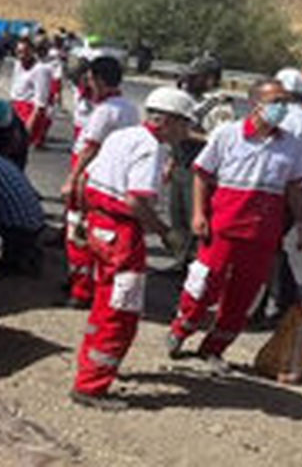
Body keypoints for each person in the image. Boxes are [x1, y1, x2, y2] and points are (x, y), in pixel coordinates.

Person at [167, 79, 302, 373]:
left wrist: (301, 223)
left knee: (243, 297)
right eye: (277, 102)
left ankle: (214, 349)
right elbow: (202, 175)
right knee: (204, 284)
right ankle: (182, 330)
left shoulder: (291, 144)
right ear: (256, 104)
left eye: (286, 102)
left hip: (262, 234)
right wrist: (198, 214)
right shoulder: (227, 135)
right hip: (223, 227)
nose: (283, 108)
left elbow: (294, 188)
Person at [70, 87, 193, 410]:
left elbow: (85, 179)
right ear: (166, 121)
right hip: (121, 237)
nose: (186, 131)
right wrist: (165, 232)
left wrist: (84, 219)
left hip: (99, 226)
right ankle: (91, 386)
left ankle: (92, 367)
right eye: (183, 123)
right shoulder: (151, 148)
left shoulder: (122, 136)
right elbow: (135, 200)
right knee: (120, 311)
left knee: (103, 303)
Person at [59, 56, 140, 308]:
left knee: (78, 232)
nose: (88, 83)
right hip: (108, 177)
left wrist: (72, 181)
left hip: (89, 175)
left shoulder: (106, 111)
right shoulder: (129, 107)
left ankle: (81, 290)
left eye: (91, 78)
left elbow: (89, 149)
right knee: (95, 231)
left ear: (100, 80)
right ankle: (85, 282)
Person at [266, 67, 302, 318]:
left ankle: (285, 300)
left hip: (286, 190)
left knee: (268, 247)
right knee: (271, 246)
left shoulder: (288, 119)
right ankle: (284, 300)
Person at [168, 55, 235, 267]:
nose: (188, 81)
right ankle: (181, 261)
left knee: (194, 218)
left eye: (194, 77)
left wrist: (189, 135)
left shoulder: (219, 106)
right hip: (181, 163)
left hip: (199, 169)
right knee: (177, 217)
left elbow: (221, 140)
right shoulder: (191, 101)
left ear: (209, 79)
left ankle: (199, 266)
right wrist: (171, 160)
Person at [10, 38, 53, 151]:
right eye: (18, 52)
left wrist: (28, 128)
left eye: (25, 52)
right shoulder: (18, 65)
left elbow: (40, 103)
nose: (21, 56)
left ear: (32, 51)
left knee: (19, 150)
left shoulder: (41, 70)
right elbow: (15, 89)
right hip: (16, 108)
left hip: (29, 112)